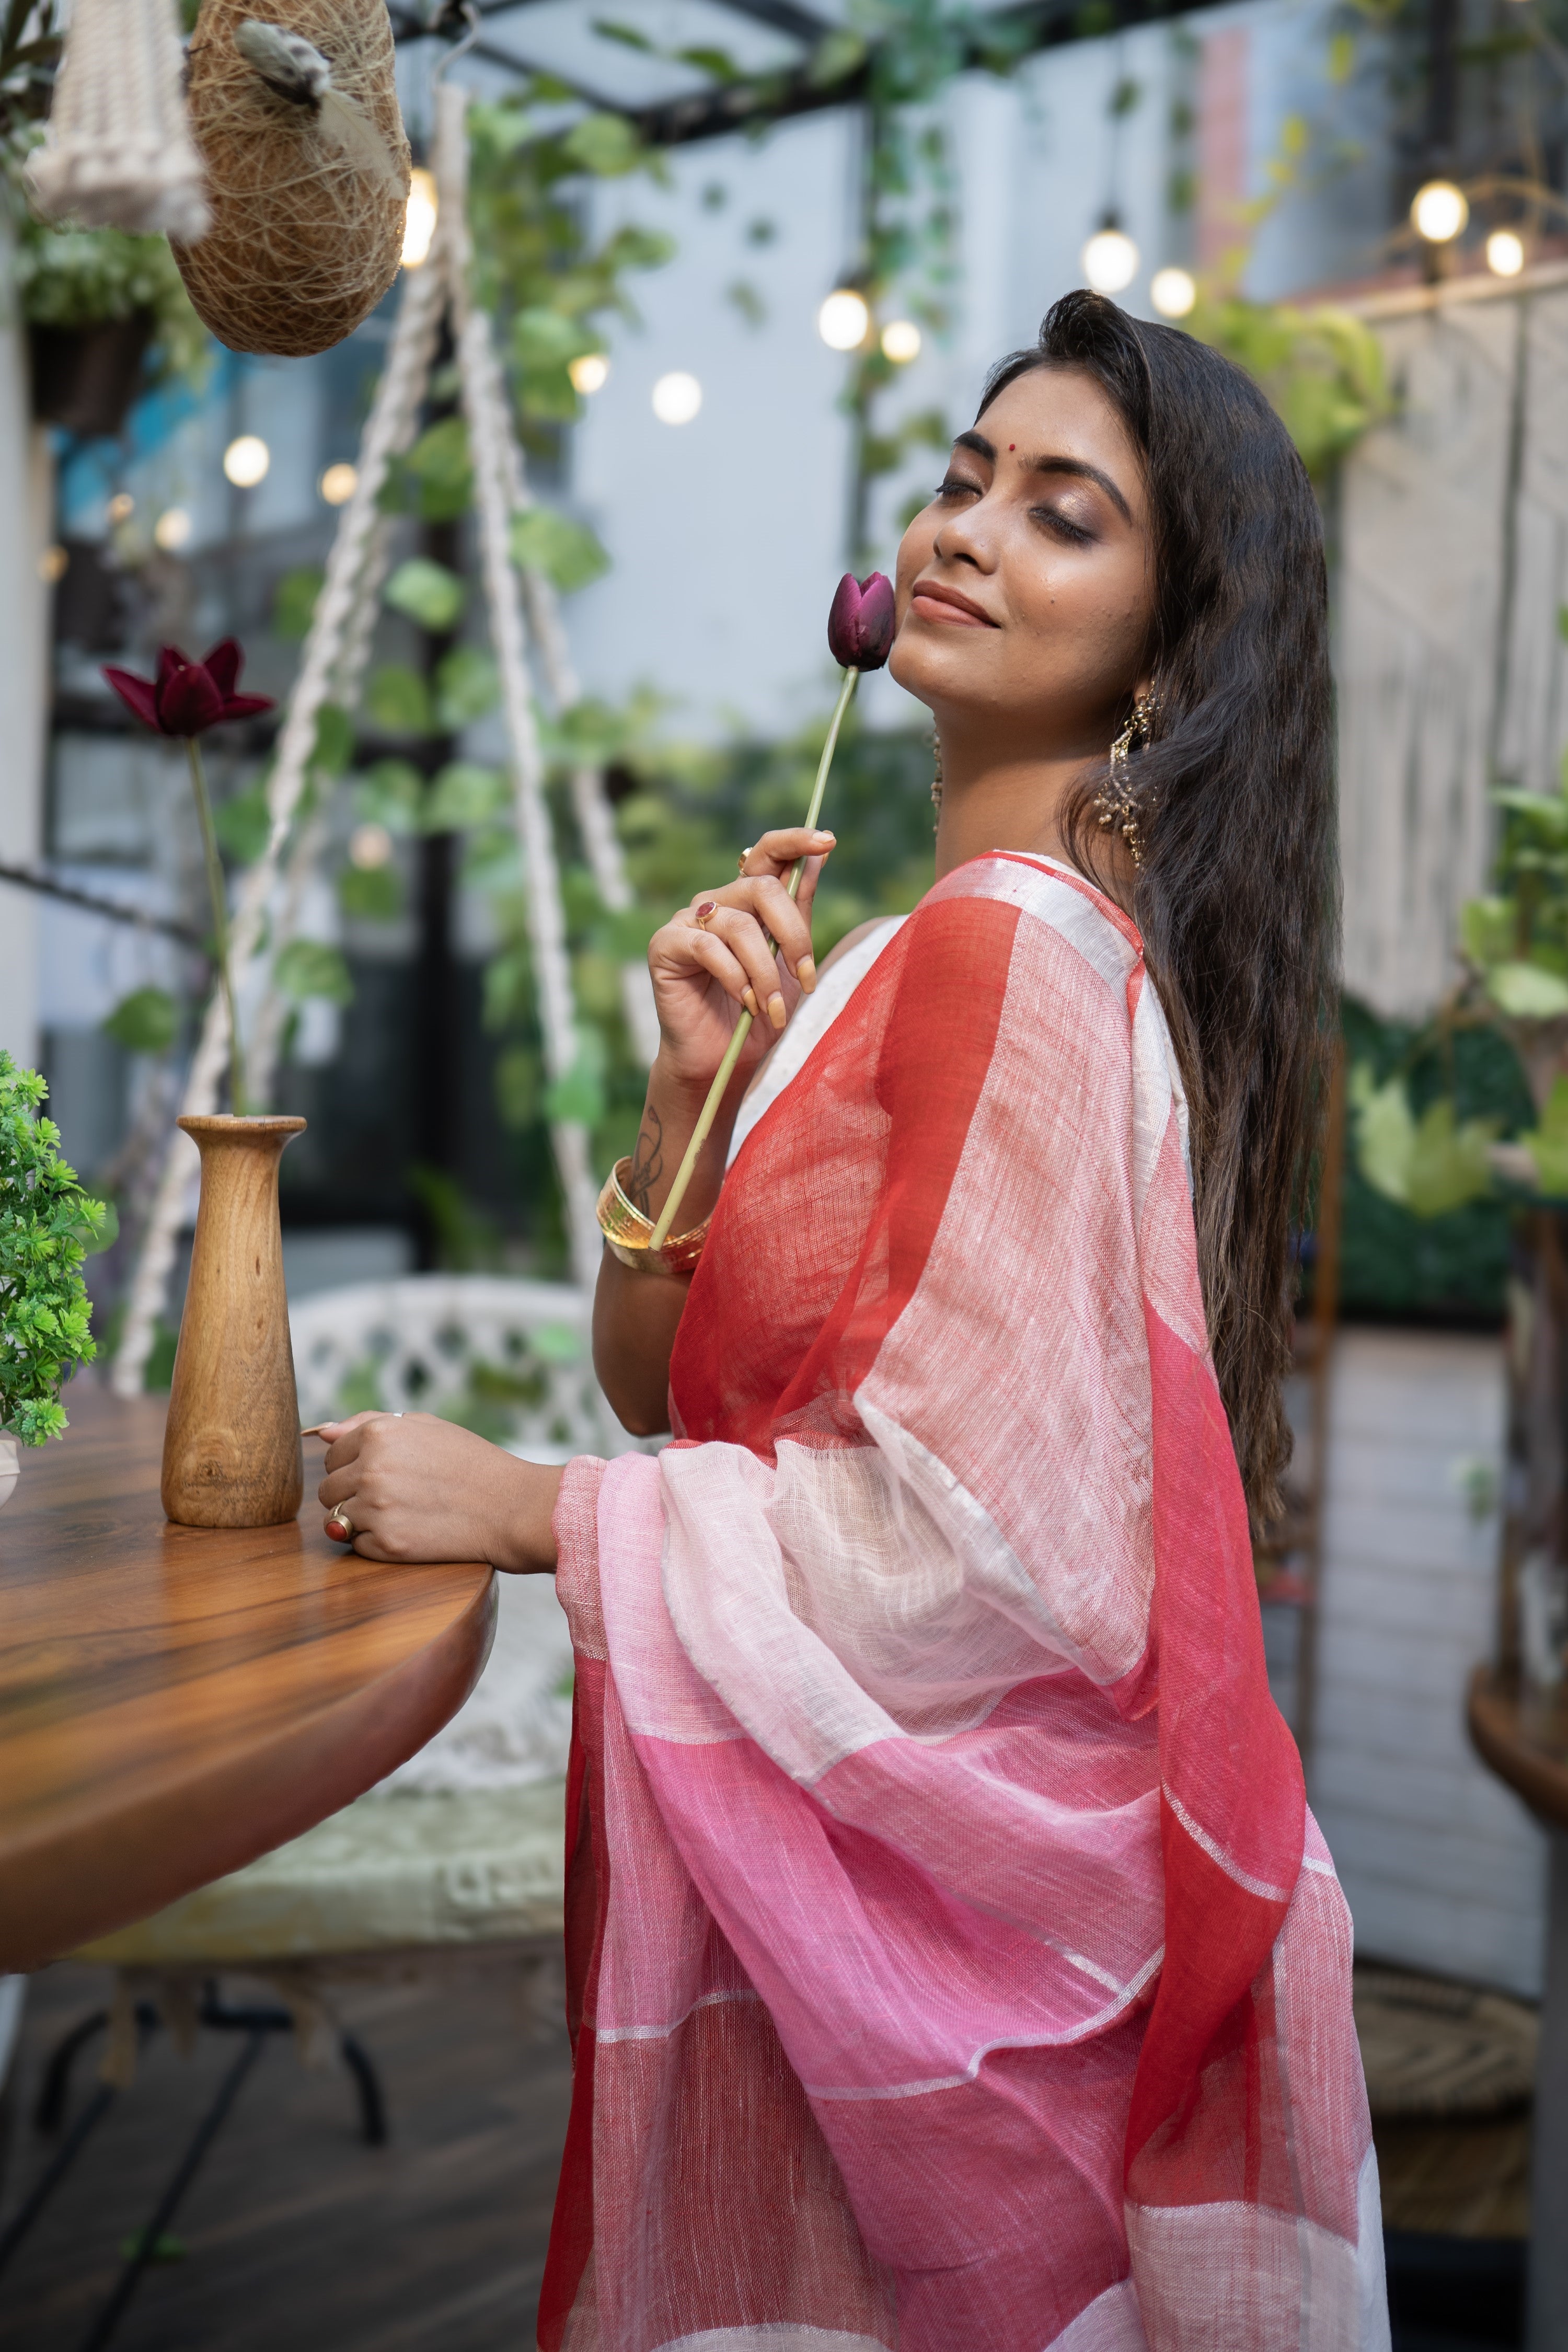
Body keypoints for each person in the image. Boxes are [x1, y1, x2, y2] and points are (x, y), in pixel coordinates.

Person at [316, 291, 1387, 2349]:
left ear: (1171, 656)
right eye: (963, 480)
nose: (965, 533)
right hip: (897, 1930)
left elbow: (974, 1557)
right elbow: (687, 1392)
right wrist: (687, 1103)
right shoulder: (918, 949)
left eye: (1064, 514)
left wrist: (540, 1512)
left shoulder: (1013, 952)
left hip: (971, 1958)